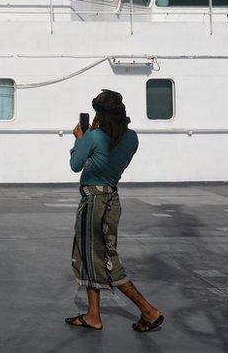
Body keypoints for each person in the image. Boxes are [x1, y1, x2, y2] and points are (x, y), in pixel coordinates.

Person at [66, 90, 164, 333]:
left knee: (106, 260)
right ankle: (93, 315)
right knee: (91, 257)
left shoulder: (94, 136)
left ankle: (149, 310)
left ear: (100, 113)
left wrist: (79, 138)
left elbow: (75, 165)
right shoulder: (132, 138)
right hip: (111, 199)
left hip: (94, 203)